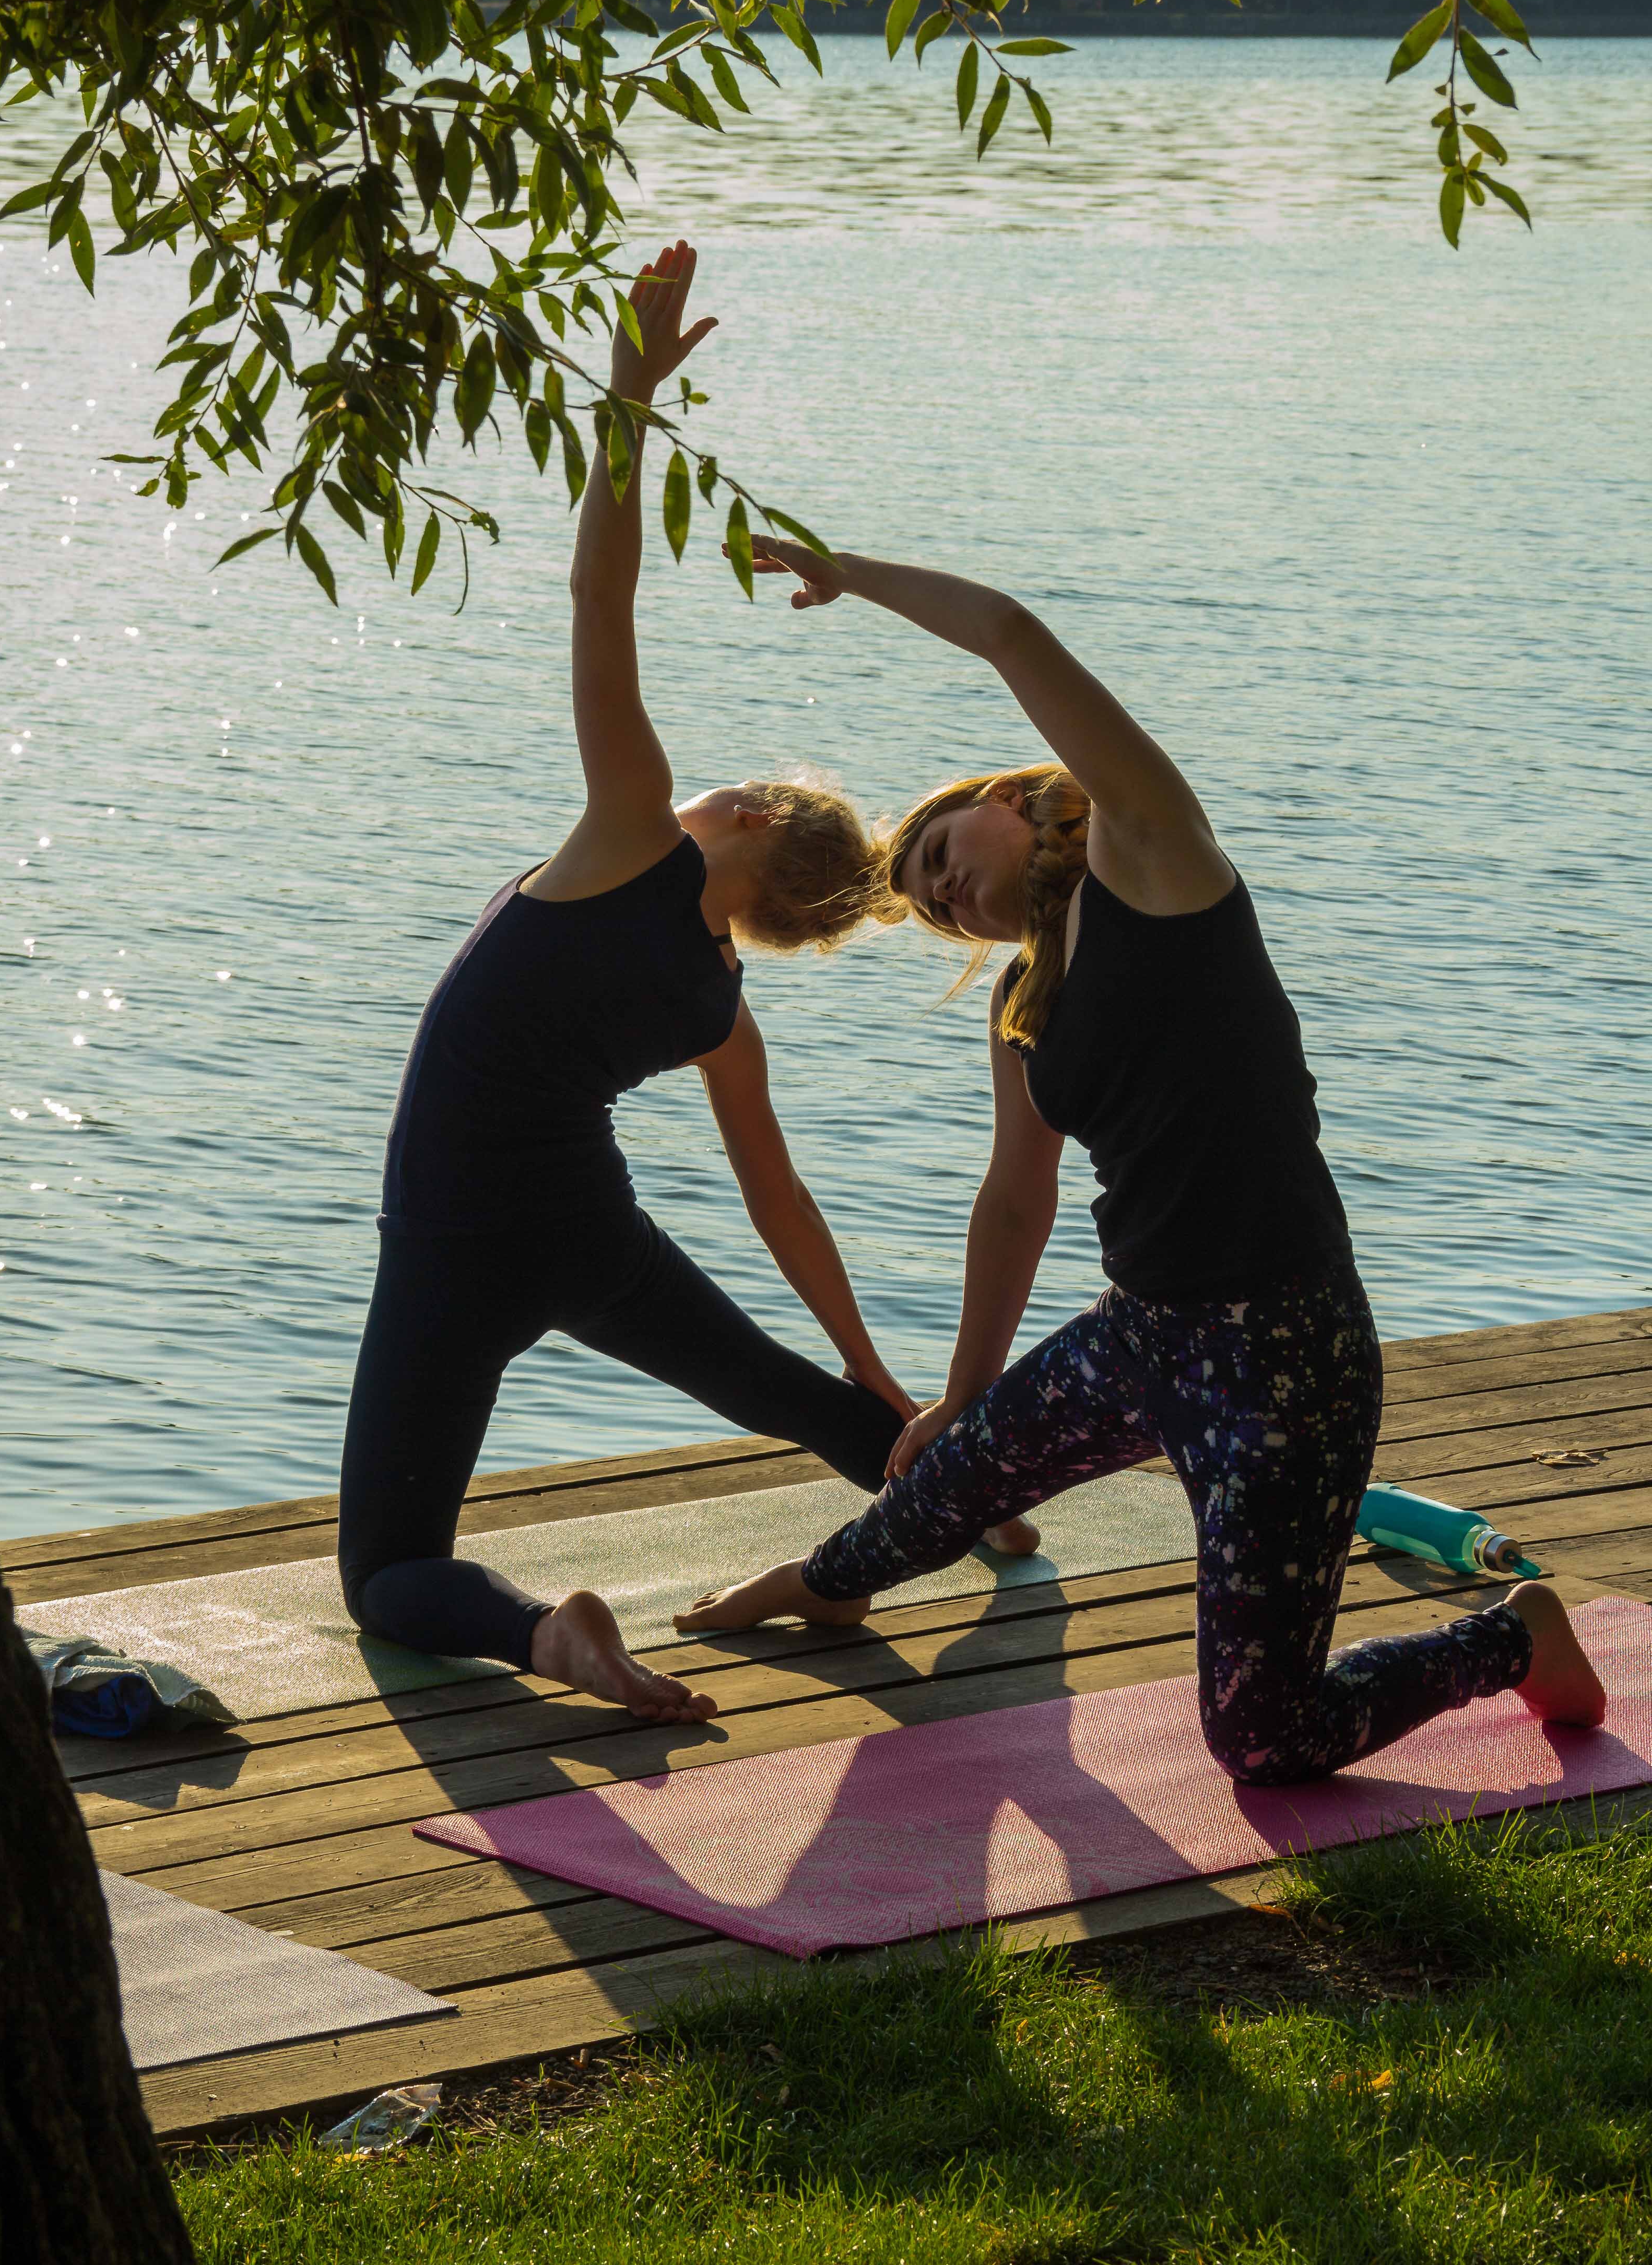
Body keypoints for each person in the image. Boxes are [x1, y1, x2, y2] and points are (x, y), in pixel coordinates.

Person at [678, 535, 1607, 1780]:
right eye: (935, 905)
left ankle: (1511, 1639)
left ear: (1010, 802)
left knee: (1264, 1737)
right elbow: (1016, 1201)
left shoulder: (1155, 859)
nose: (948, 896)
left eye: (945, 859)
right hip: (1143, 1336)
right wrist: (965, 1393)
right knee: (946, 1482)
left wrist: (850, 575)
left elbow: (1012, 633)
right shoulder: (1024, 998)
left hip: (1286, 1358)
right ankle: (828, 1584)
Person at [338, 247, 1031, 1728]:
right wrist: (878, 1382)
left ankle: (546, 1635)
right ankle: (964, 1491)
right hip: (586, 1230)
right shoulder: (719, 1005)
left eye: (727, 786)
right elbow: (782, 1205)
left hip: (456, 1230)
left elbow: (601, 592)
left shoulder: (627, 838)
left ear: (753, 819)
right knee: (788, 1393)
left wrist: (628, 397)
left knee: (389, 1569)